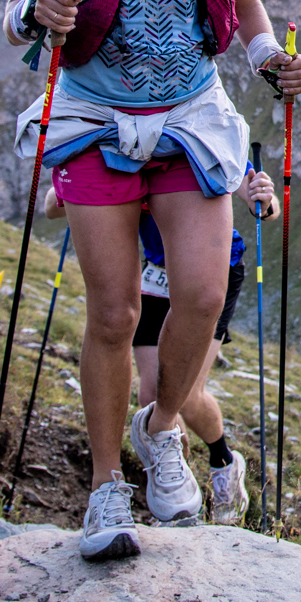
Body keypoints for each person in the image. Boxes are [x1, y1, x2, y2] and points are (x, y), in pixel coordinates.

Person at [1, 0, 301, 561]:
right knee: (113, 311)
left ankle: (160, 427)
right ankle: (106, 492)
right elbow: (14, 18)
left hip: (189, 114)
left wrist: (273, 62)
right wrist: (42, 11)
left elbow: (249, 17)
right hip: (96, 117)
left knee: (203, 295)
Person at [45, 168, 277, 527]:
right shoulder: (116, 141)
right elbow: (52, 206)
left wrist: (264, 197)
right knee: (151, 394)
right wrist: (67, 189)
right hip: (155, 271)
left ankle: (224, 462)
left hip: (214, 266)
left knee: (185, 395)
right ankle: (176, 494)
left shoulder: (191, 127)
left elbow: (263, 203)